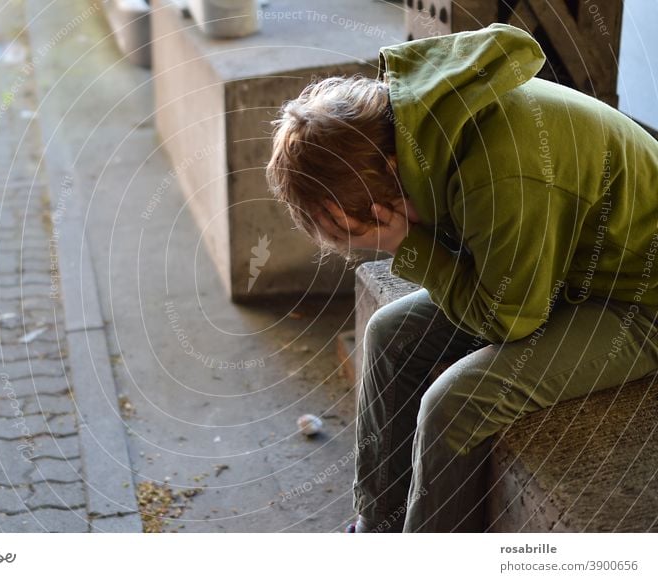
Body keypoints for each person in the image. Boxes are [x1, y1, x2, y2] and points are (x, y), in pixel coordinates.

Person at [265, 23, 658, 532]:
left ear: (390, 175)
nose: (369, 243)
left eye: (368, 227)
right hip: (564, 270)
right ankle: (375, 530)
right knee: (390, 332)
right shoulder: (423, 122)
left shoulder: (503, 171)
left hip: (636, 300)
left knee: (457, 403)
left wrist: (409, 246)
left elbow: (507, 320)